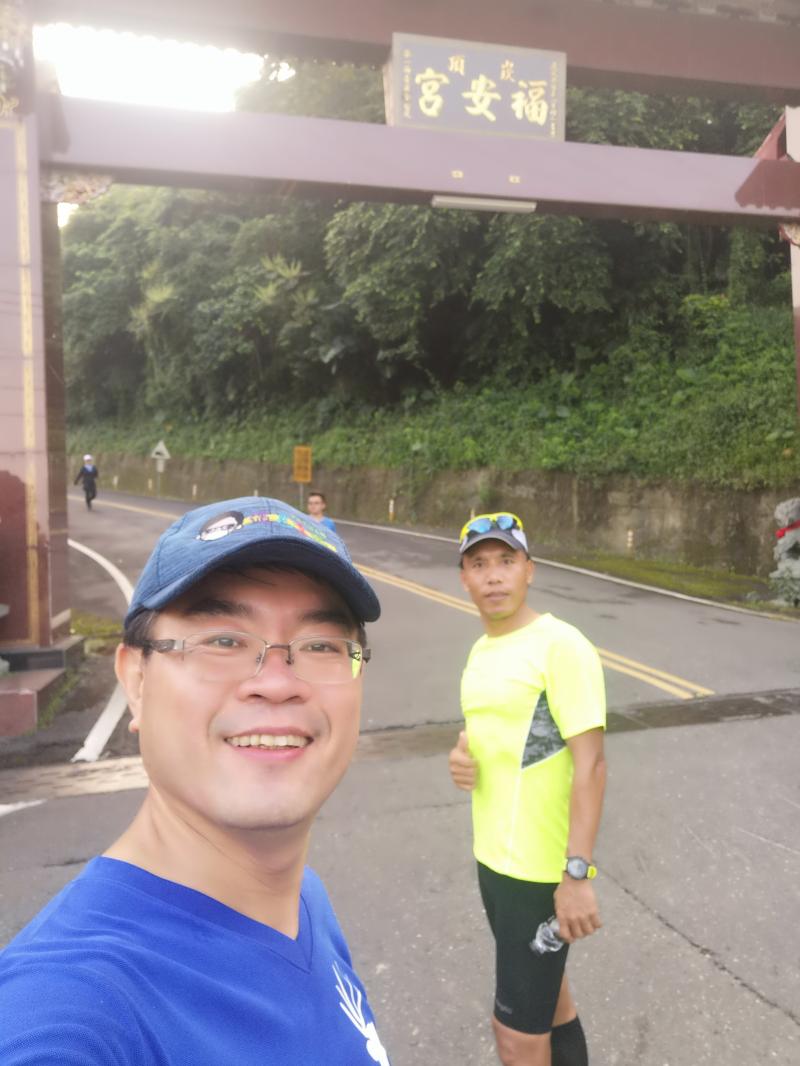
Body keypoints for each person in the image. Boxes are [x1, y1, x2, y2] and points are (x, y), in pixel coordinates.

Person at [0, 496, 390, 1066]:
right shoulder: (71, 1013)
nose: (277, 683)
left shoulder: (304, 901)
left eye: (320, 646)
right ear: (136, 680)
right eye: (223, 641)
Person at [448, 511, 606, 1066]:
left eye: (506, 561)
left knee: (515, 1035)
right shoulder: (481, 652)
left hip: (537, 874)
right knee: (551, 1004)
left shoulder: (561, 646)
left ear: (529, 570)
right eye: (479, 564)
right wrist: (461, 759)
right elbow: (492, 735)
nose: (493, 575)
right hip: (493, 862)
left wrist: (576, 875)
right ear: (464, 579)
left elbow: (591, 764)